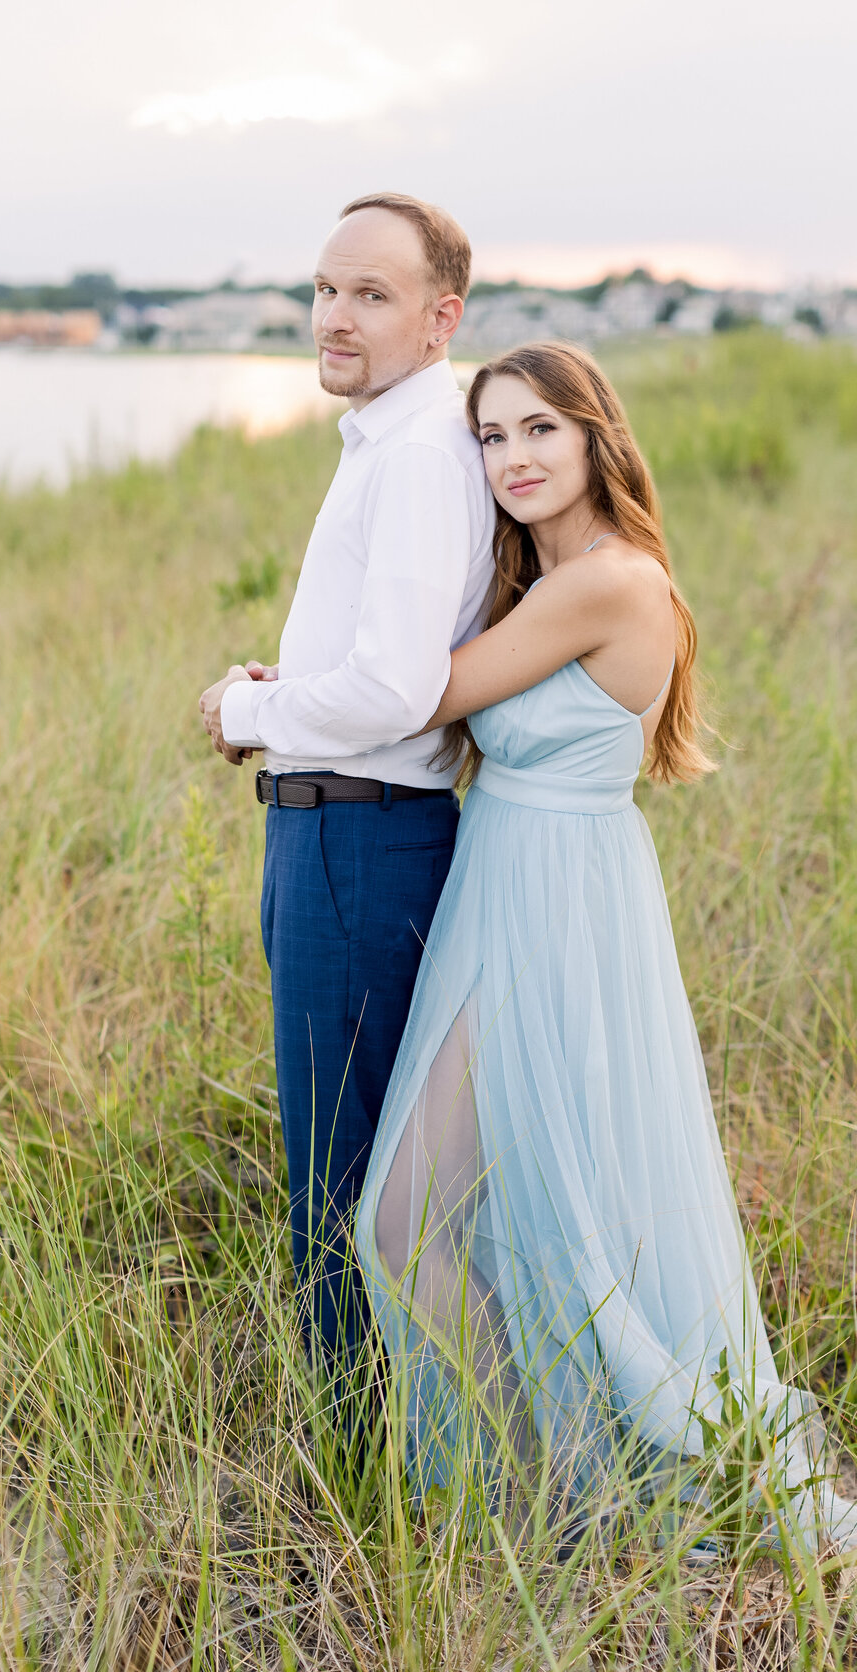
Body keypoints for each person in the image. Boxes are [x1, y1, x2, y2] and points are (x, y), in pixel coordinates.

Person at [353, 341, 857, 1555]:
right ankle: (556, 1496)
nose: (513, 458)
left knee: (411, 1221)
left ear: (597, 437)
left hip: (556, 907)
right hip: (518, 888)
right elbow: (424, 682)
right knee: (506, 1210)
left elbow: (416, 695)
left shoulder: (605, 581)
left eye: (540, 429)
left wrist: (274, 701)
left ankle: (553, 1503)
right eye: (489, 437)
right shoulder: (542, 580)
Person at [199, 194, 494, 1423]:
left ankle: (366, 1466)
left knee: (341, 1179)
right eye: (325, 290)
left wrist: (249, 715)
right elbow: (379, 665)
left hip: (359, 838)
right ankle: (396, 1444)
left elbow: (394, 686)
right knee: (353, 1161)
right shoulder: (392, 434)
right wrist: (288, 692)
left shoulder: (423, 451)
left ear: (440, 318)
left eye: (370, 296)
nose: (334, 317)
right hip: (340, 826)